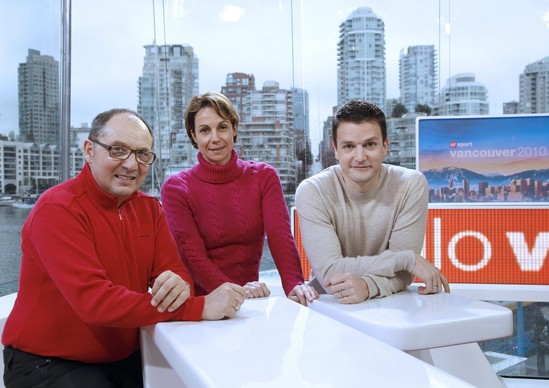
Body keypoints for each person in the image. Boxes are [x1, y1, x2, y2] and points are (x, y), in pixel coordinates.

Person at [2, 108, 246, 388]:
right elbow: (95, 303)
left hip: (125, 357)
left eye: (142, 154)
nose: (131, 164)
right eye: (118, 150)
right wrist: (199, 306)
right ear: (89, 150)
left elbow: (179, 280)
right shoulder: (57, 210)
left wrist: (179, 287)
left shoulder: (150, 209)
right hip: (47, 364)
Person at [161, 92, 318, 306]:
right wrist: (235, 292)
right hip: (202, 306)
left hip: (250, 302)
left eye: (222, 127)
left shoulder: (264, 176)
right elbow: (193, 257)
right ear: (194, 136)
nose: (214, 138)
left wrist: (294, 284)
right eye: (205, 130)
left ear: (234, 129)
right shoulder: (176, 188)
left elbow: (280, 237)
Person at [295, 99, 450, 304]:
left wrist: (368, 287)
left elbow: (405, 274)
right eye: (349, 146)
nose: (360, 157)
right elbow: (330, 272)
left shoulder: (411, 184)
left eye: (370, 145)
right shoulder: (312, 190)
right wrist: (404, 259)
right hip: (331, 304)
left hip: (393, 305)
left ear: (385, 146)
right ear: (336, 150)